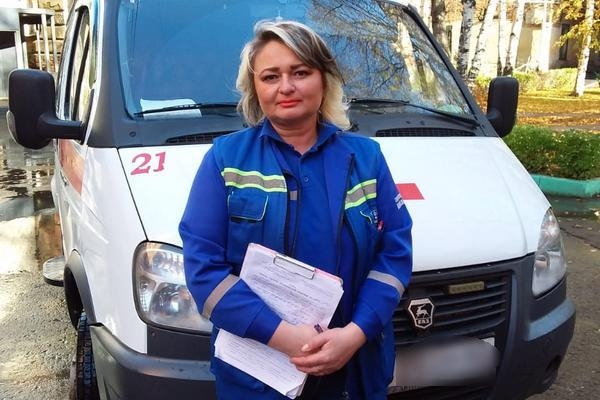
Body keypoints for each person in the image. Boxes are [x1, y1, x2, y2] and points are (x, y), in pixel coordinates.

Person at [179, 19, 413, 400]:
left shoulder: (367, 159)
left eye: (300, 72)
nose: (285, 86)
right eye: (271, 76)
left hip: (353, 371)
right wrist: (285, 338)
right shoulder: (225, 160)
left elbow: (395, 255)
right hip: (259, 377)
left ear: (324, 80)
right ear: (255, 87)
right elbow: (204, 271)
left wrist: (355, 334)